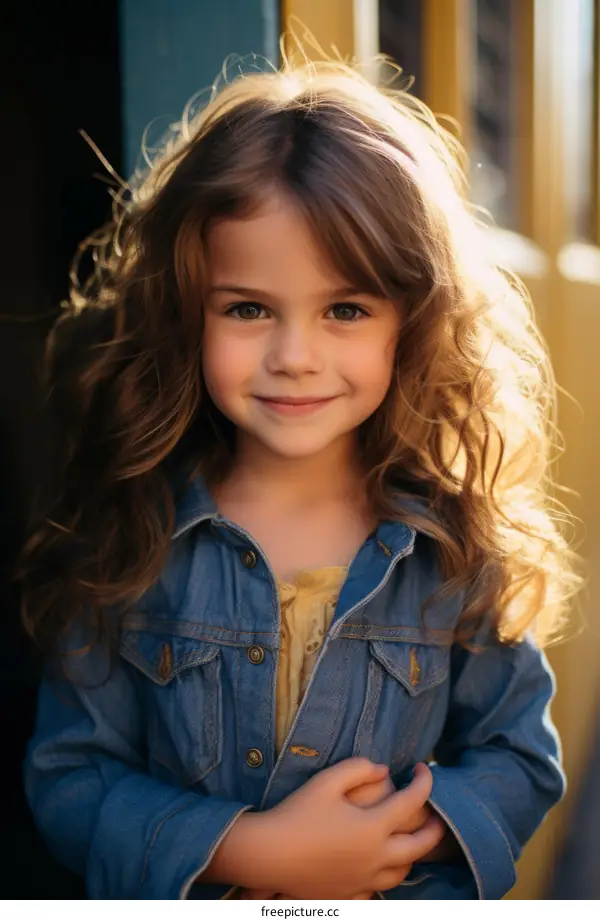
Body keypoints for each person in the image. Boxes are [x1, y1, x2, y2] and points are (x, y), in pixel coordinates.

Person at [18, 55, 582, 900]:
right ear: (189, 311)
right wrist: (252, 853)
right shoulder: (128, 537)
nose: (293, 357)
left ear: (413, 322)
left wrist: (397, 845)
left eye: (344, 310)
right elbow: (70, 779)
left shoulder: (456, 546)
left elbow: (518, 760)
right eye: (248, 308)